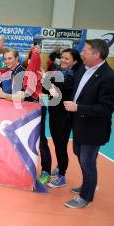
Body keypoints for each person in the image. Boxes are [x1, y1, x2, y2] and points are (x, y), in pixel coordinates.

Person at [63, 39, 114, 209]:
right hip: (79, 125)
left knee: (87, 161)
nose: (82, 54)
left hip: (94, 129)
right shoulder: (83, 68)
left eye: (86, 51)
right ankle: (89, 184)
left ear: (97, 54)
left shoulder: (109, 77)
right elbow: (74, 87)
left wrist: (78, 107)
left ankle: (86, 197)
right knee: (79, 153)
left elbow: (106, 108)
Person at [38, 48, 81, 188]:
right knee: (57, 144)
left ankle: (62, 175)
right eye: (62, 57)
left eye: (67, 58)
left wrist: (46, 80)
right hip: (54, 113)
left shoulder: (73, 76)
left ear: (74, 62)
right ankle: (59, 168)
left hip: (64, 117)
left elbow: (55, 89)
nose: (63, 60)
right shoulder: (58, 71)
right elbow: (45, 89)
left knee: (61, 146)